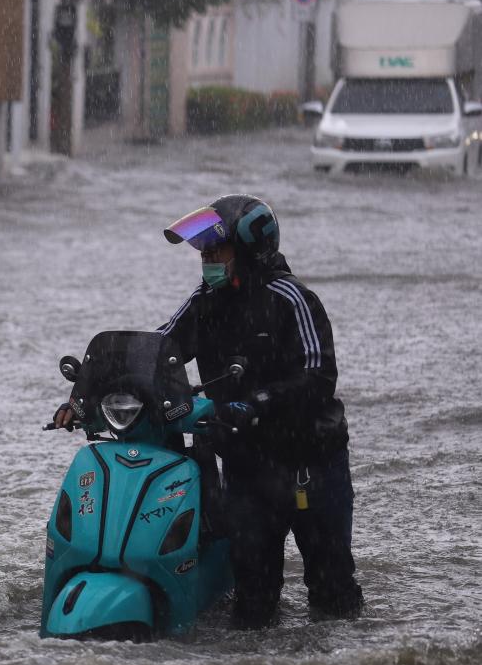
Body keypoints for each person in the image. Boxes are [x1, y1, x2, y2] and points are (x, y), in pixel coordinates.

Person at [152, 194, 363, 626]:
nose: (207, 261)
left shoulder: (292, 298)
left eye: (216, 251)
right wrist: (93, 392)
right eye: (204, 253)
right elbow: (158, 350)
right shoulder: (204, 301)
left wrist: (255, 403)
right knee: (252, 604)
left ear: (249, 250)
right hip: (248, 470)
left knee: (334, 597)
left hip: (310, 467)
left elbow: (319, 377)